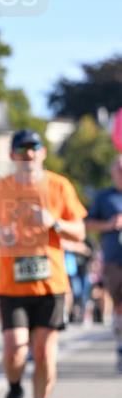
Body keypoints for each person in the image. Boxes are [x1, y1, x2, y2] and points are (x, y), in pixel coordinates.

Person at [0, 128, 87, 398]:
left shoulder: (59, 185)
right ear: (12, 155)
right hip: (12, 285)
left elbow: (80, 231)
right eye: (22, 148)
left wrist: (54, 222)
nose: (28, 153)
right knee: (14, 350)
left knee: (44, 354)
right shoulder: (0, 187)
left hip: (50, 285)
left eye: (33, 147)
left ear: (42, 152)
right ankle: (14, 388)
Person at [85, 156, 122, 370]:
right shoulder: (104, 197)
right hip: (114, 260)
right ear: (113, 173)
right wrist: (109, 224)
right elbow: (87, 224)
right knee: (119, 306)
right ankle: (120, 344)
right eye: (119, 169)